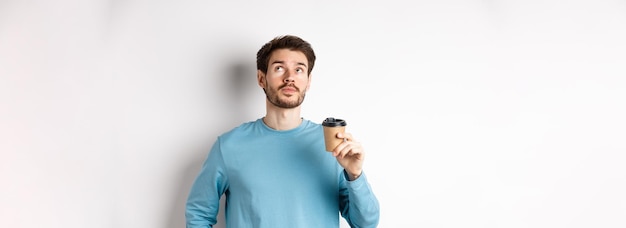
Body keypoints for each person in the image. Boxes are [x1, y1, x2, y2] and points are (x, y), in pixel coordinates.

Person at [185, 35, 380, 228]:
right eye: (279, 68)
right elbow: (199, 214)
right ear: (262, 78)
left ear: (308, 81)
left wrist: (355, 174)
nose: (290, 77)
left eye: (299, 70)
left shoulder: (334, 146)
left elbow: (366, 223)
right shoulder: (229, 146)